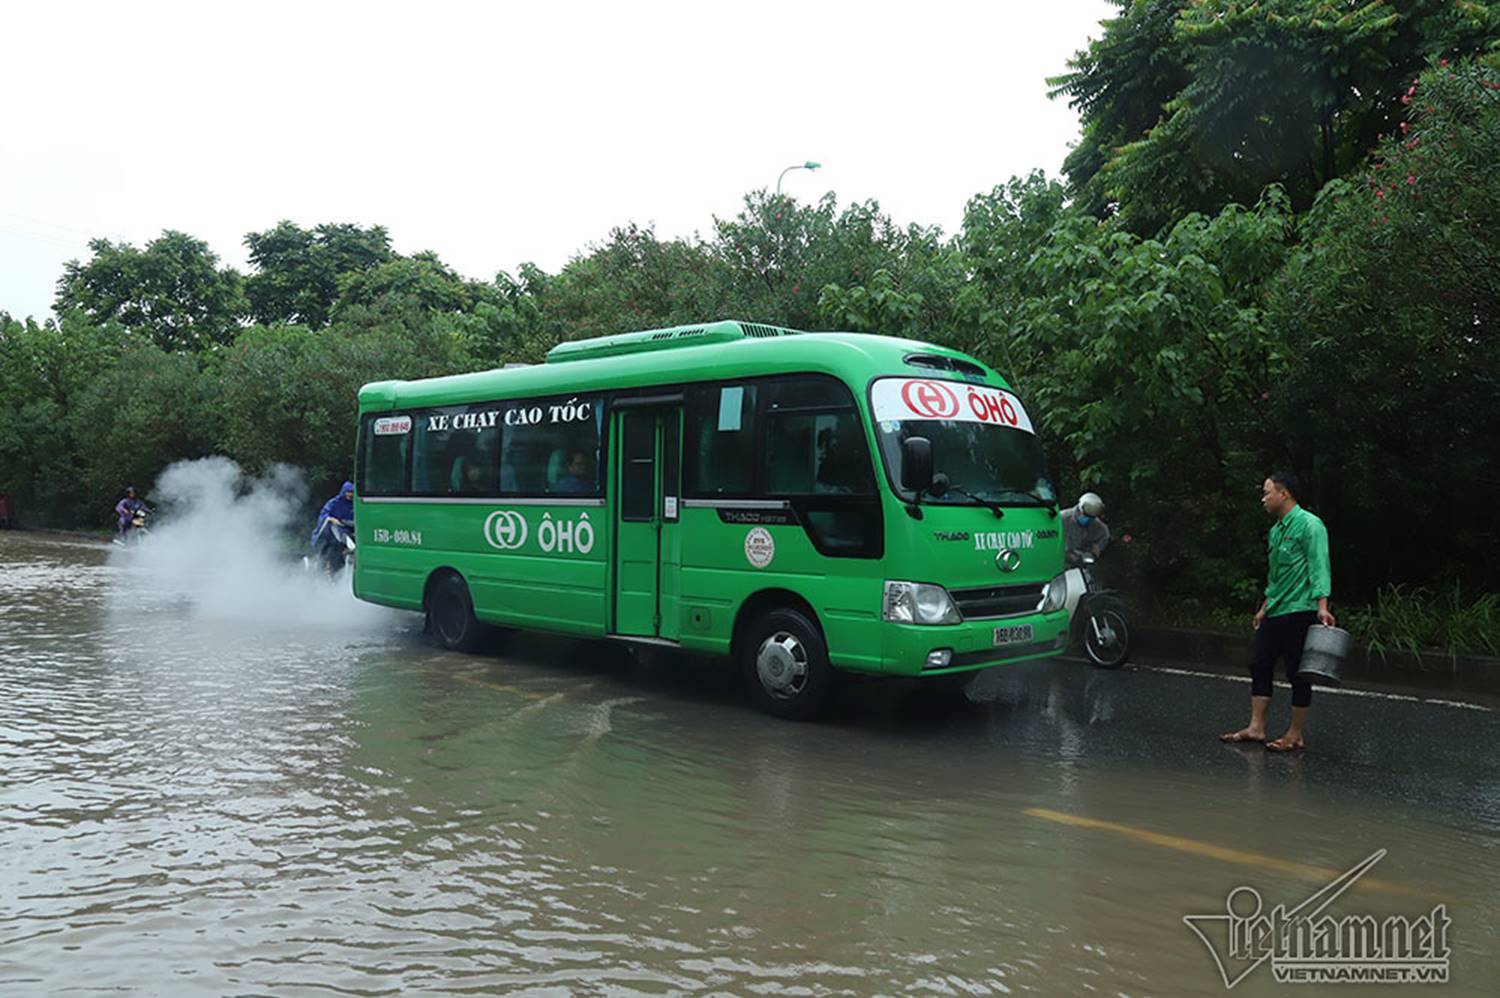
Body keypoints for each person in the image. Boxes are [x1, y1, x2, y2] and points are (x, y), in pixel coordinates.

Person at [1221, 471, 1335, 753]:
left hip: (1301, 611)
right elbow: (1275, 577)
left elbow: (1319, 566)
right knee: (1259, 663)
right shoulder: (1277, 530)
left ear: (1284, 493)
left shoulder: (1311, 525)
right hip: (1276, 610)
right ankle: (1256, 727)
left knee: (1299, 673)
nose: (1263, 498)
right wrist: (1263, 607)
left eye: (1267, 492)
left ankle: (1295, 734)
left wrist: (1322, 607)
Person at [311, 481, 355, 572]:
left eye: (352, 493)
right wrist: (331, 519)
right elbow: (324, 515)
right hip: (331, 533)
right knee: (329, 551)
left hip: (347, 530)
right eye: (348, 492)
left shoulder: (354, 504)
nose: (350, 495)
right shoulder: (334, 502)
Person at [1061, 492, 1109, 565]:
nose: (1087, 519)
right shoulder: (1061, 519)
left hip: (1081, 565)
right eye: (1086, 515)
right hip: (1057, 562)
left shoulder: (1099, 528)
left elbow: (1098, 546)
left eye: (1091, 517)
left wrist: (1093, 554)